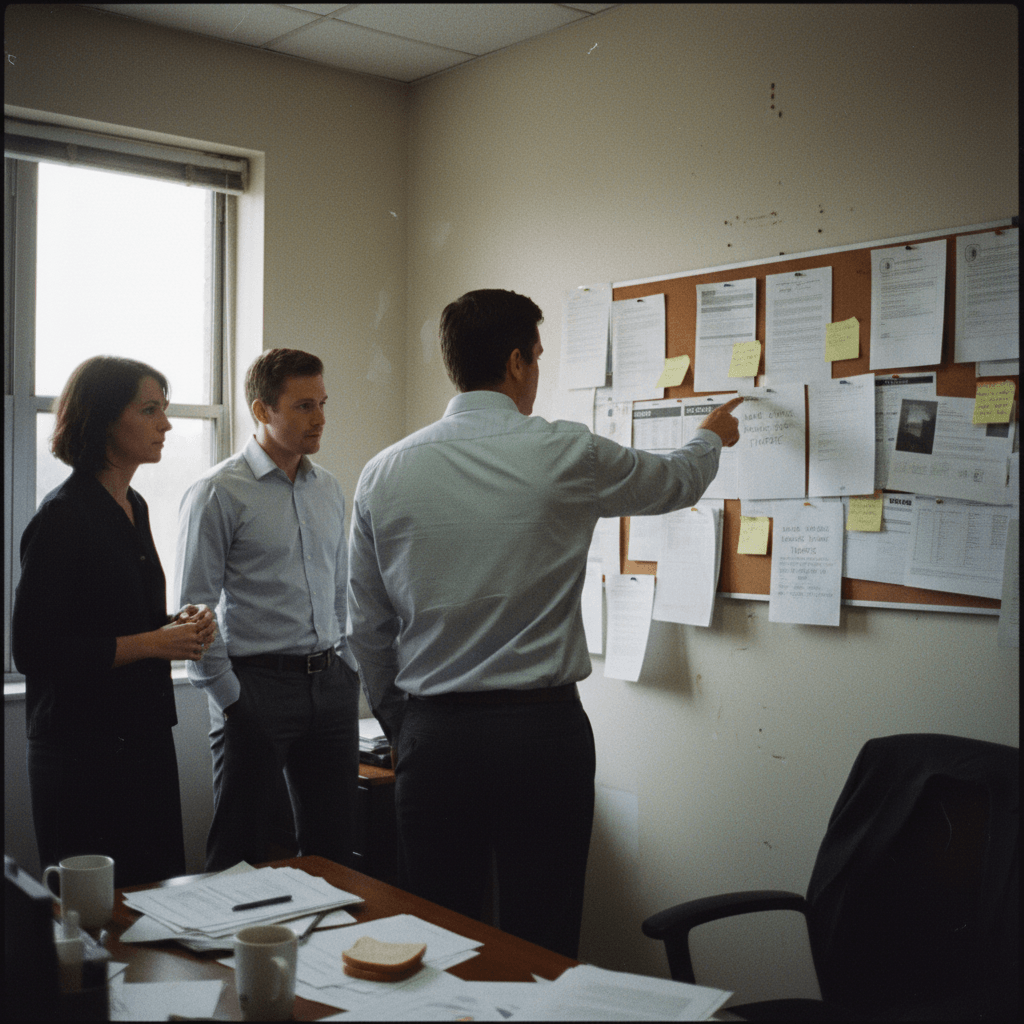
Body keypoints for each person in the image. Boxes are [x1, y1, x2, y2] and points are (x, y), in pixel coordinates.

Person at [347, 288, 743, 958]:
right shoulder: (565, 452)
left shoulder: (383, 473)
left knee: (435, 945)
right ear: (516, 363)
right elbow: (675, 483)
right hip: (541, 737)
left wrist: (407, 724)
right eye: (536, 356)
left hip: (435, 739)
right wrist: (710, 437)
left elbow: (365, 625)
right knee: (544, 939)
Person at [13, 356, 215, 888]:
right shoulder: (62, 517)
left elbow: (123, 619)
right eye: (149, 410)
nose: (166, 425)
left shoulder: (136, 505)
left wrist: (181, 625)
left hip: (146, 741)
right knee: (94, 924)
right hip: (82, 757)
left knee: (159, 904)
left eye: (165, 411)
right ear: (103, 420)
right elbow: (32, 650)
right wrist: (154, 642)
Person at [175, 348, 361, 872]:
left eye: (323, 403)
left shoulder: (329, 489)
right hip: (255, 687)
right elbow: (193, 608)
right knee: (239, 855)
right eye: (304, 406)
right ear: (262, 411)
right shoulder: (217, 492)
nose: (320, 418)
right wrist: (231, 698)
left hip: (329, 685)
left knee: (334, 854)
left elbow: (338, 588)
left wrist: (348, 669)